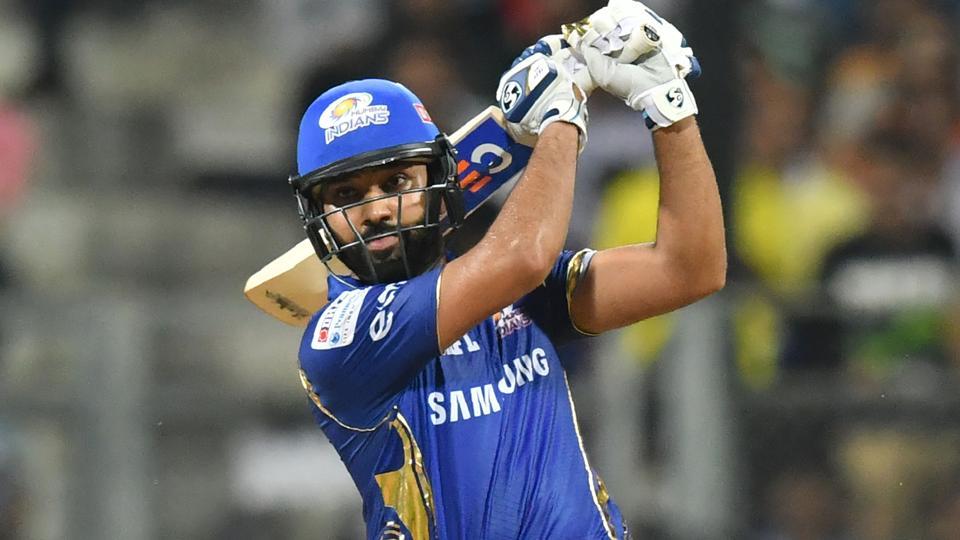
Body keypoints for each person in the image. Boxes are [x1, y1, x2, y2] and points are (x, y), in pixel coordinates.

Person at [289, 4, 725, 538]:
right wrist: (562, 117)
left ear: (439, 184)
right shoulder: (340, 340)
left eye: (396, 183)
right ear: (318, 216)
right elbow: (522, 256)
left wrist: (669, 109)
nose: (376, 210)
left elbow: (690, 269)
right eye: (346, 195)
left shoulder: (516, 293)